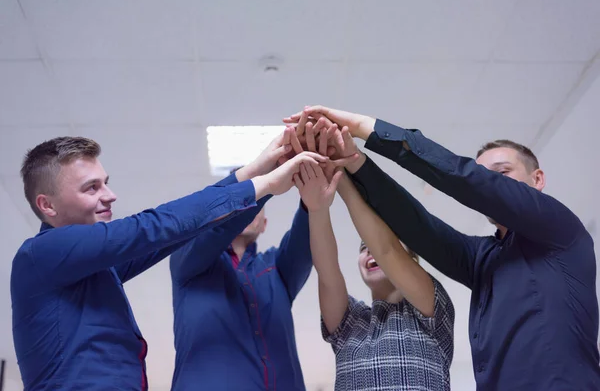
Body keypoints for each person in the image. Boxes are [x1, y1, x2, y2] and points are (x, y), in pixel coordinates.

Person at [284, 107, 600, 390]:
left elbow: (469, 182)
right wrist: (353, 163)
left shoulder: (560, 232)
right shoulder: (481, 259)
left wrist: (364, 126)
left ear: (538, 178)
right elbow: (416, 226)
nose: (490, 182)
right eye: (484, 173)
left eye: (501, 174)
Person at [11, 134, 325, 391]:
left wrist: (255, 169)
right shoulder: (41, 255)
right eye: (92, 187)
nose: (110, 195)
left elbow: (171, 235)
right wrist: (265, 185)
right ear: (47, 205)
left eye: (105, 182)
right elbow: (157, 226)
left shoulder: (95, 268)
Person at [169, 127, 355, 391]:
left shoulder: (275, 269)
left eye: (256, 208)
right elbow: (214, 230)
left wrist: (312, 191)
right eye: (247, 201)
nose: (249, 211)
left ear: (264, 224)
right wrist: (266, 181)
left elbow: (306, 242)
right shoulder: (188, 260)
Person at [295, 148, 454, 391]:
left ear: (410, 257)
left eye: (374, 247)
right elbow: (328, 274)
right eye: (363, 248)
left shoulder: (432, 313)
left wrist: (342, 178)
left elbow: (387, 251)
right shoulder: (350, 322)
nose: (370, 251)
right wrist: (318, 209)